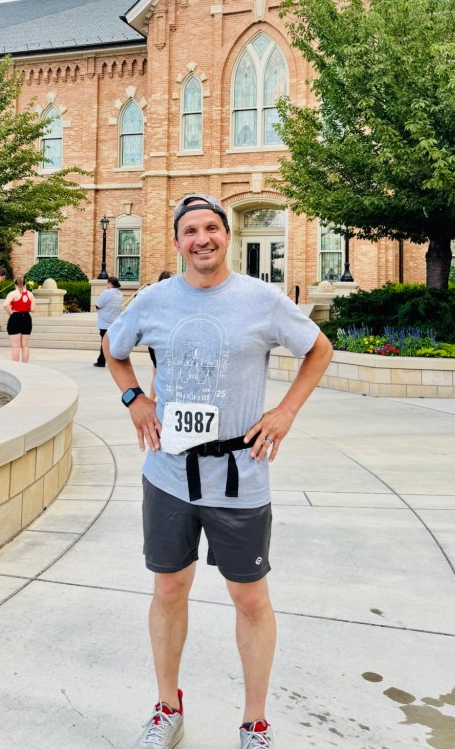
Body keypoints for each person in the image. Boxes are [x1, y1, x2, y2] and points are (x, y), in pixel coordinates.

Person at [104, 194, 333, 749]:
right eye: (190, 230)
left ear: (227, 236)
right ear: (177, 241)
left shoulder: (261, 299)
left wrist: (284, 412)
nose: (201, 238)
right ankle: (166, 708)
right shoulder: (155, 300)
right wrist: (135, 398)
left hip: (240, 474)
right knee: (168, 588)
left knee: (250, 598)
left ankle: (254, 723)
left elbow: (319, 349)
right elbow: (114, 350)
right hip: (169, 474)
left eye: (211, 228)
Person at [147, 270, 173, 399]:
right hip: (163, 339)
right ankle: (153, 399)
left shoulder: (153, 295)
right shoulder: (169, 297)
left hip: (154, 339)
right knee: (160, 372)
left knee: (156, 371)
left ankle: (152, 398)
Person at [3, 277, 36, 363]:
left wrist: (10, 313)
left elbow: (5, 305)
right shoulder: (30, 294)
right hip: (26, 318)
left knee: (15, 346)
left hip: (15, 318)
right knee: (25, 345)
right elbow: (33, 309)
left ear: (15, 285)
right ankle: (25, 365)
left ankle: (15, 366)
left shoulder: (13, 293)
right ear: (25, 285)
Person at [94, 276, 122, 367]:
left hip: (105, 322)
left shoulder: (107, 292)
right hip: (115, 322)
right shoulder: (120, 293)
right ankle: (107, 360)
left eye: (107, 283)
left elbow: (98, 305)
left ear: (110, 283)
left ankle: (101, 361)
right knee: (111, 342)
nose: (106, 285)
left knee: (104, 342)